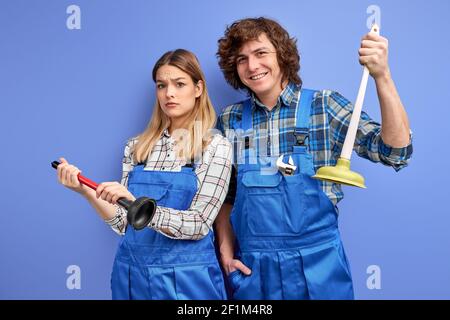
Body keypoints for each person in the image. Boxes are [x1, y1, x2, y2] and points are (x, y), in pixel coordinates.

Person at [214, 17, 412, 300]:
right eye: (242, 59)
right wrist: (225, 250)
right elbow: (226, 195)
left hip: (318, 268)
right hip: (254, 272)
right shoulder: (230, 119)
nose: (252, 66)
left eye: (261, 53)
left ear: (282, 54)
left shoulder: (324, 106)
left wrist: (383, 76)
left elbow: (396, 152)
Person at [56, 49, 232, 300]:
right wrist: (84, 190)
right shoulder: (137, 147)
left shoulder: (214, 146)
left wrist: (139, 207)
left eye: (179, 84)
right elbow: (122, 224)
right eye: (161, 85)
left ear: (198, 88)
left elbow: (199, 224)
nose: (169, 93)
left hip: (187, 278)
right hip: (132, 275)